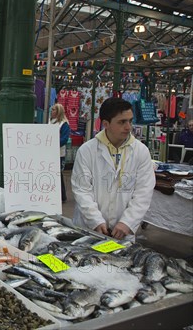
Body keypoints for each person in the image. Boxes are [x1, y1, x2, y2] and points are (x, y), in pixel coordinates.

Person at [71, 97, 155, 241]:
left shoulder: (141, 151)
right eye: (122, 122)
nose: (128, 127)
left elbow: (144, 191)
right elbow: (82, 189)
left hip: (123, 232)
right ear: (106, 124)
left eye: (130, 120)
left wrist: (127, 222)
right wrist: (95, 221)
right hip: (88, 229)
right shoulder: (87, 151)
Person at [50, 103, 71, 203]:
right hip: (50, 151)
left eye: (54, 110)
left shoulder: (64, 124)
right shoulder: (50, 121)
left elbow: (64, 139)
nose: (52, 111)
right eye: (52, 109)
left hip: (58, 153)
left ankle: (62, 196)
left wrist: (53, 144)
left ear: (59, 111)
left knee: (58, 174)